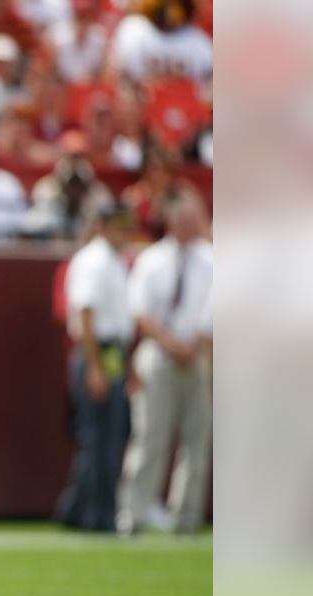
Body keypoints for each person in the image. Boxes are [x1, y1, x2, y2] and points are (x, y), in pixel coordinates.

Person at [117, 197, 213, 535]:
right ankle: (134, 513)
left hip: (199, 353)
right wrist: (172, 344)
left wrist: (198, 345)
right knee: (150, 435)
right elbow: (140, 312)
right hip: (159, 353)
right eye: (185, 220)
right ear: (171, 223)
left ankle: (186, 516)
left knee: (196, 440)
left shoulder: (212, 259)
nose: (191, 226)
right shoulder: (151, 259)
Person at [54, 204, 136, 532]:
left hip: (111, 352)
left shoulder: (114, 262)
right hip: (98, 353)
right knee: (98, 438)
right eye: (118, 227)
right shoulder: (93, 261)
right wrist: (94, 366)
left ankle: (80, 510)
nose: (124, 233)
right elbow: (85, 313)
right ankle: (94, 514)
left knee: (107, 436)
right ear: (102, 227)